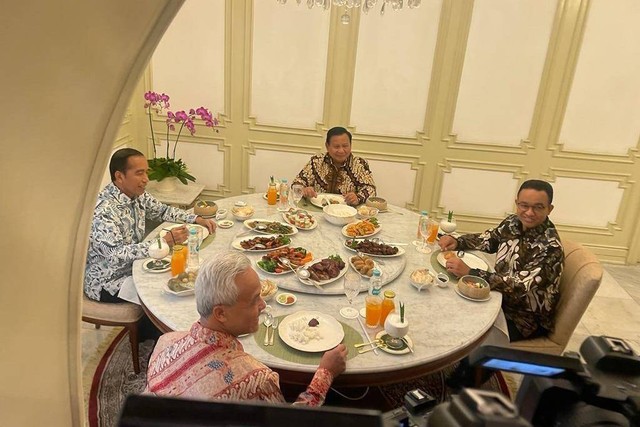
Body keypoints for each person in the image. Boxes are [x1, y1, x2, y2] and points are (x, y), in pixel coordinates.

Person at [145, 251, 348, 405]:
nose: (263, 305)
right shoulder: (256, 379)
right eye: (254, 300)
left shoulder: (165, 342)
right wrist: (325, 373)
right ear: (221, 313)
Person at [84, 148, 216, 303]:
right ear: (119, 176)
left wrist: (195, 218)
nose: (146, 179)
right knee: (168, 295)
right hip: (109, 282)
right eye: (140, 173)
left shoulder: (137, 194)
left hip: (138, 267)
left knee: (185, 280)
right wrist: (163, 243)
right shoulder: (103, 211)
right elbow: (115, 255)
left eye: (146, 172)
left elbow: (162, 211)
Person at [438, 179, 564, 342]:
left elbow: (520, 287)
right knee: (446, 307)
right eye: (524, 205)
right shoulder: (513, 222)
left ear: (549, 209)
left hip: (523, 319)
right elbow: (490, 239)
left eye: (538, 207)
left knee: (460, 334)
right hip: (498, 298)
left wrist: (471, 273)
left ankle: (462, 366)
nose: (529, 212)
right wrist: (458, 241)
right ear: (517, 204)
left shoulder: (550, 247)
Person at [292, 126, 376, 206]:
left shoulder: (359, 164)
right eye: (336, 146)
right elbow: (297, 183)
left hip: (346, 212)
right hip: (317, 209)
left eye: (345, 146)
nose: (341, 150)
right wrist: (304, 190)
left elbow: (371, 190)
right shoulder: (316, 161)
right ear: (327, 146)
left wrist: (358, 197)